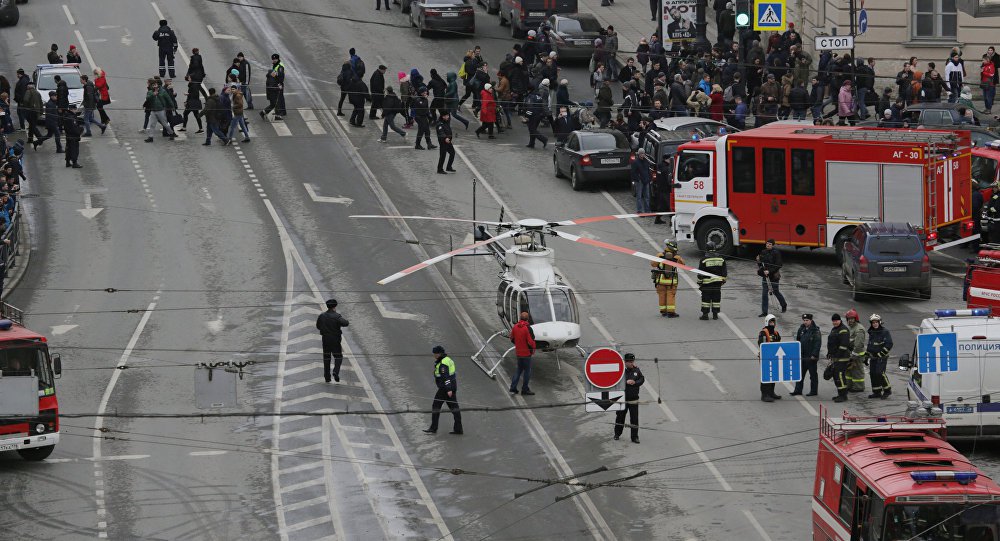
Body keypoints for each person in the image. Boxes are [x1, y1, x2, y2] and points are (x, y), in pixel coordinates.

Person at [424, 345, 463, 435]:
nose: (434, 355)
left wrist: (448, 389)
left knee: (436, 406)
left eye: (435, 354)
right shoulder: (447, 359)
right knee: (454, 409)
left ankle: (433, 428)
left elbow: (446, 377)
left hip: (445, 389)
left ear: (438, 354)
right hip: (451, 387)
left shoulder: (443, 364)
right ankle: (458, 429)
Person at [316, 299, 349, 383]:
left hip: (325, 339)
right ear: (335, 307)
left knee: (326, 358)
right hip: (335, 339)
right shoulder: (337, 316)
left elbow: (318, 326)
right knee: (338, 357)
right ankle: (335, 371)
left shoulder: (322, 316)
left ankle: (327, 377)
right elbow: (345, 323)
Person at [613, 353, 644, 443]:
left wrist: (635, 382)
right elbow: (616, 380)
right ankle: (617, 434)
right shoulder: (621, 370)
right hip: (622, 399)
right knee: (620, 417)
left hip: (634, 398)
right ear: (625, 362)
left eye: (632, 361)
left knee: (634, 419)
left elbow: (641, 379)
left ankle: (634, 437)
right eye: (629, 361)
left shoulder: (636, 370)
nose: (631, 363)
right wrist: (626, 382)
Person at [791, 314, 821, 396]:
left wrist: (814, 355)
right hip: (802, 356)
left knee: (813, 375)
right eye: (804, 320)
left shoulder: (816, 331)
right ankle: (798, 390)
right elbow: (798, 341)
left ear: (811, 320)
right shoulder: (801, 329)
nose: (805, 322)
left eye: (807, 320)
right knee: (799, 375)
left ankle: (814, 391)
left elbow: (817, 344)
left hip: (811, 357)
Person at [652, 239, 683, 317]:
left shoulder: (659, 255)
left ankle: (663, 311)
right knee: (670, 295)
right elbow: (683, 264)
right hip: (671, 281)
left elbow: (653, 264)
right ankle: (670, 312)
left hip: (660, 280)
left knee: (662, 295)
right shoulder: (677, 257)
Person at [756, 239, 787, 316]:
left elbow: (779, 265)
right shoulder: (763, 252)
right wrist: (758, 261)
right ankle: (764, 312)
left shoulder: (776, 253)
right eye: (767, 244)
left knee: (776, 291)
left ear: (773, 245)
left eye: (769, 244)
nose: (768, 245)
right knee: (764, 294)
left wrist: (769, 271)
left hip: (774, 276)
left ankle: (784, 305)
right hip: (765, 276)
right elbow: (761, 265)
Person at [508, 311, 536, 395]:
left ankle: (513, 387)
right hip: (526, 354)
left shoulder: (515, 327)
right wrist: (533, 349)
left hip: (519, 353)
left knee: (519, 369)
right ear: (527, 319)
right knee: (527, 371)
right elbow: (531, 341)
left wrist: (517, 344)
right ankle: (525, 389)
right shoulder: (527, 328)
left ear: (520, 318)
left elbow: (511, 338)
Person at [697, 243, 727, 320]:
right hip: (717, 283)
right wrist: (723, 280)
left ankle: (705, 315)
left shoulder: (704, 260)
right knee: (716, 299)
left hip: (707, 284)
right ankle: (715, 315)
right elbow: (724, 271)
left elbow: (700, 273)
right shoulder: (721, 259)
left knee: (706, 300)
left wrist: (700, 282)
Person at [866, 313, 893, 399]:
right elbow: (870, 345)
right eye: (873, 322)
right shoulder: (871, 332)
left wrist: (880, 354)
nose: (875, 324)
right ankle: (877, 392)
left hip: (882, 357)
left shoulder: (885, 332)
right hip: (873, 357)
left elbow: (889, 344)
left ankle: (887, 390)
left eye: (876, 322)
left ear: (880, 322)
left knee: (879, 373)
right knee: (873, 374)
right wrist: (866, 357)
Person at [758, 315, 783, 402]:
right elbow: (762, 345)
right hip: (766, 359)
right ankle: (764, 395)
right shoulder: (763, 332)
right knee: (766, 376)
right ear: (767, 322)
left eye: (773, 322)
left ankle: (771, 393)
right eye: (770, 322)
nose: (772, 324)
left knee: (774, 376)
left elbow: (779, 344)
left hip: (775, 358)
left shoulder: (776, 333)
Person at [828, 314, 852, 403]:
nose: (834, 322)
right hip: (836, 357)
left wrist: (837, 355)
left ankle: (843, 396)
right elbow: (831, 343)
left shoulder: (843, 330)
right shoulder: (834, 329)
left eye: (836, 321)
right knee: (836, 376)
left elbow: (844, 345)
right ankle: (840, 394)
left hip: (842, 358)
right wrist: (829, 353)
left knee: (840, 376)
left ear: (840, 320)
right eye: (833, 321)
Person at [845, 308, 867, 393]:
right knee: (849, 371)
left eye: (852, 319)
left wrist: (853, 356)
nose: (850, 321)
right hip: (851, 353)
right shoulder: (851, 327)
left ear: (856, 319)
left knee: (857, 371)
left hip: (857, 355)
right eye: (849, 319)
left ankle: (859, 387)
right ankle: (849, 385)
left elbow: (858, 345)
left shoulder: (859, 329)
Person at [524, 81, 550, 149]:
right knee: (533, 129)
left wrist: (527, 116)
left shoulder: (530, 97)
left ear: (529, 90)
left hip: (533, 115)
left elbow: (530, 107)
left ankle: (544, 139)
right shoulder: (537, 95)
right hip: (539, 115)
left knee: (532, 130)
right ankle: (531, 143)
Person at [261, 53, 286, 121]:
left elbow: (280, 77)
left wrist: (279, 84)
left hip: (277, 85)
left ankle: (281, 112)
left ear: (277, 59)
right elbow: (275, 77)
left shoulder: (280, 66)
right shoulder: (276, 65)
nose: (274, 60)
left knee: (277, 101)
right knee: (277, 101)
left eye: (275, 59)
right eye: (273, 59)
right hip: (275, 87)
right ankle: (279, 113)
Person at [632, 148, 652, 213]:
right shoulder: (635, 162)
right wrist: (637, 179)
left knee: (647, 196)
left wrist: (649, 178)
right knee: (639, 196)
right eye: (641, 153)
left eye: (643, 153)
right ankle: (639, 210)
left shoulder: (646, 161)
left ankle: (647, 210)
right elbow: (633, 172)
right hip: (639, 181)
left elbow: (648, 170)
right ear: (638, 154)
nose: (642, 155)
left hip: (646, 180)